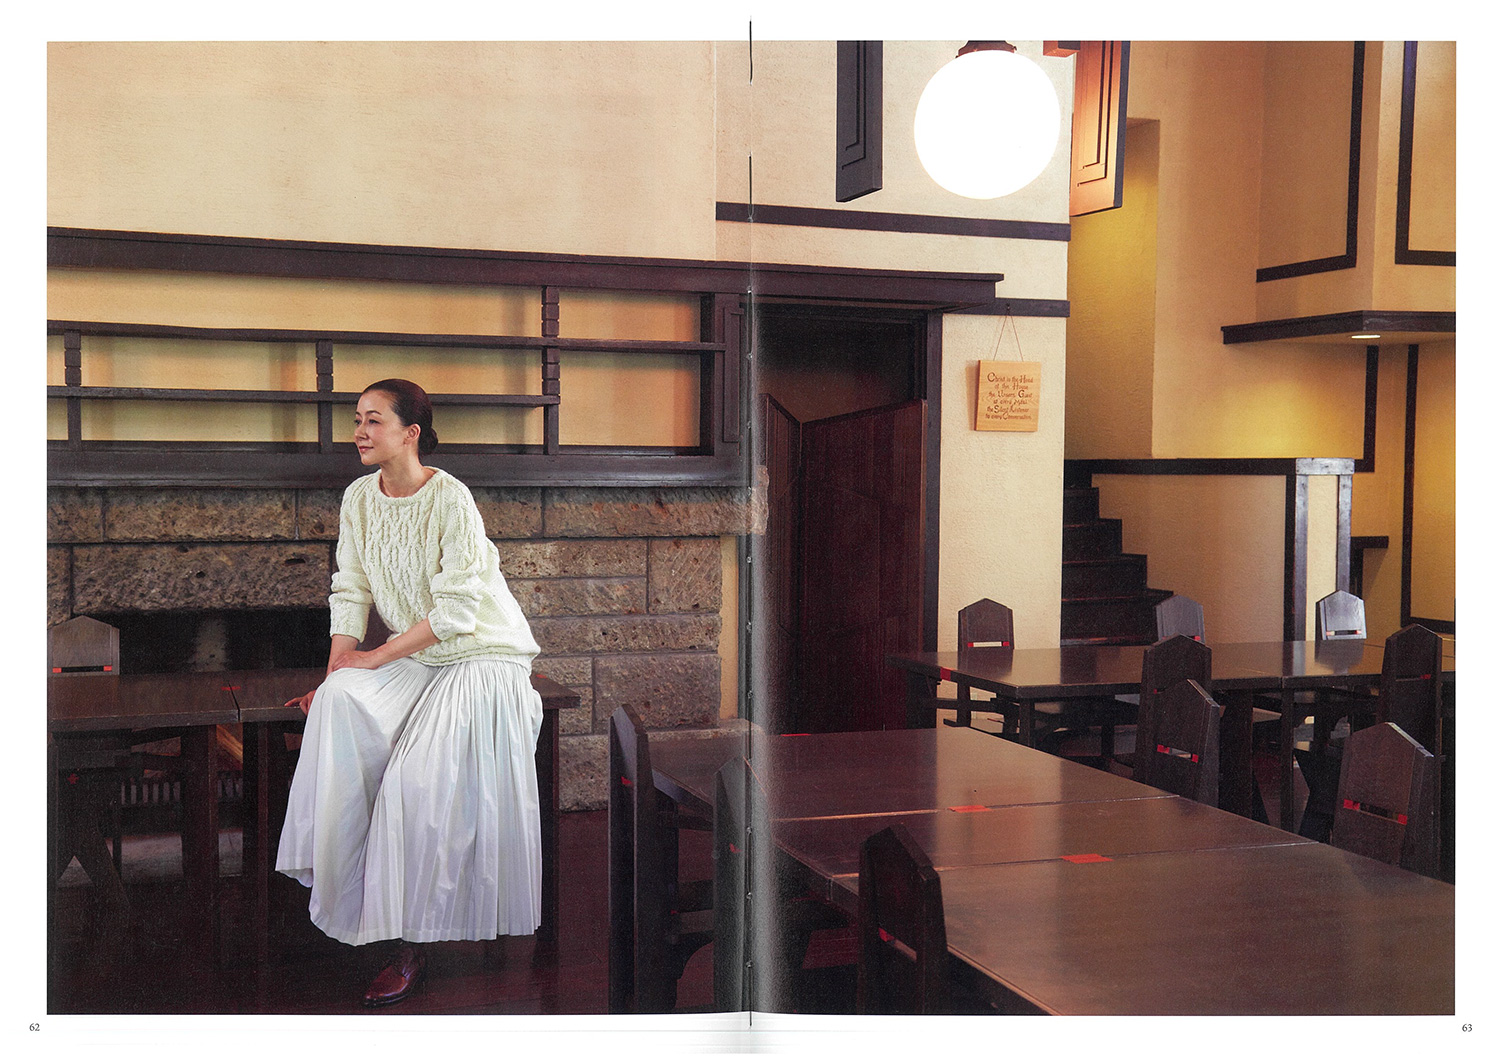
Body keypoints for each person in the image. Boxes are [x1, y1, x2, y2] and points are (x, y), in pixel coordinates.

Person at [275, 378, 544, 1006]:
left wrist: (372, 658)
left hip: (482, 655)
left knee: (414, 781)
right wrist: (338, 673)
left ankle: (410, 942)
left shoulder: (451, 498)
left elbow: (456, 614)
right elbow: (350, 589)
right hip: (421, 656)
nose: (359, 432)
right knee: (338, 703)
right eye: (357, 419)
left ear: (410, 433)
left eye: (373, 420)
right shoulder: (358, 498)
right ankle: (349, 895)